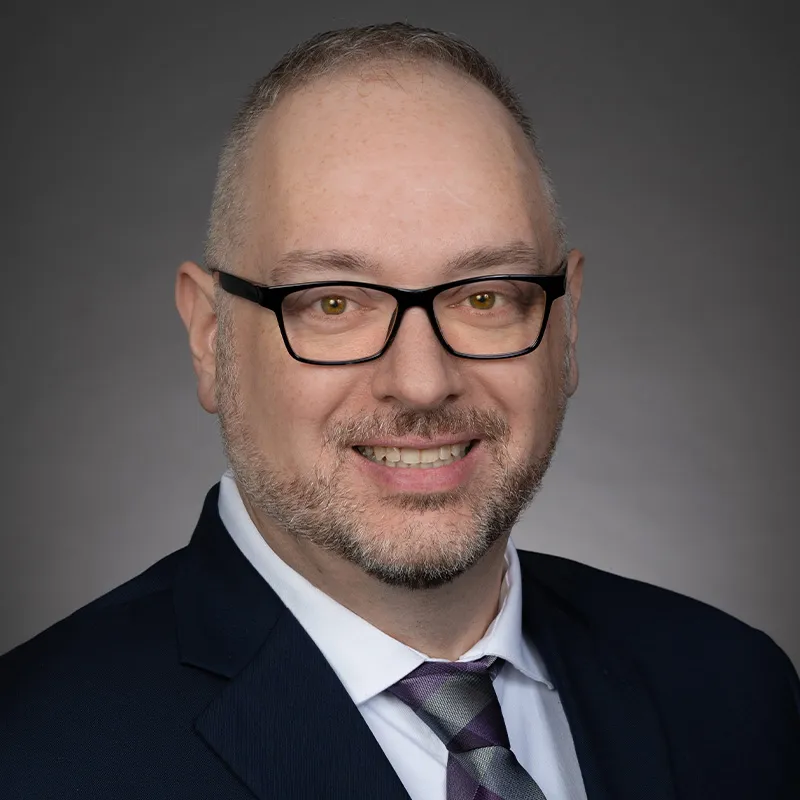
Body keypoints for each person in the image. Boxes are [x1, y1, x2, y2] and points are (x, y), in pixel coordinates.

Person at [1, 20, 798, 800]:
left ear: (566, 325)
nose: (421, 382)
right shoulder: (33, 755)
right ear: (211, 338)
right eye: (334, 302)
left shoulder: (735, 690)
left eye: (486, 296)